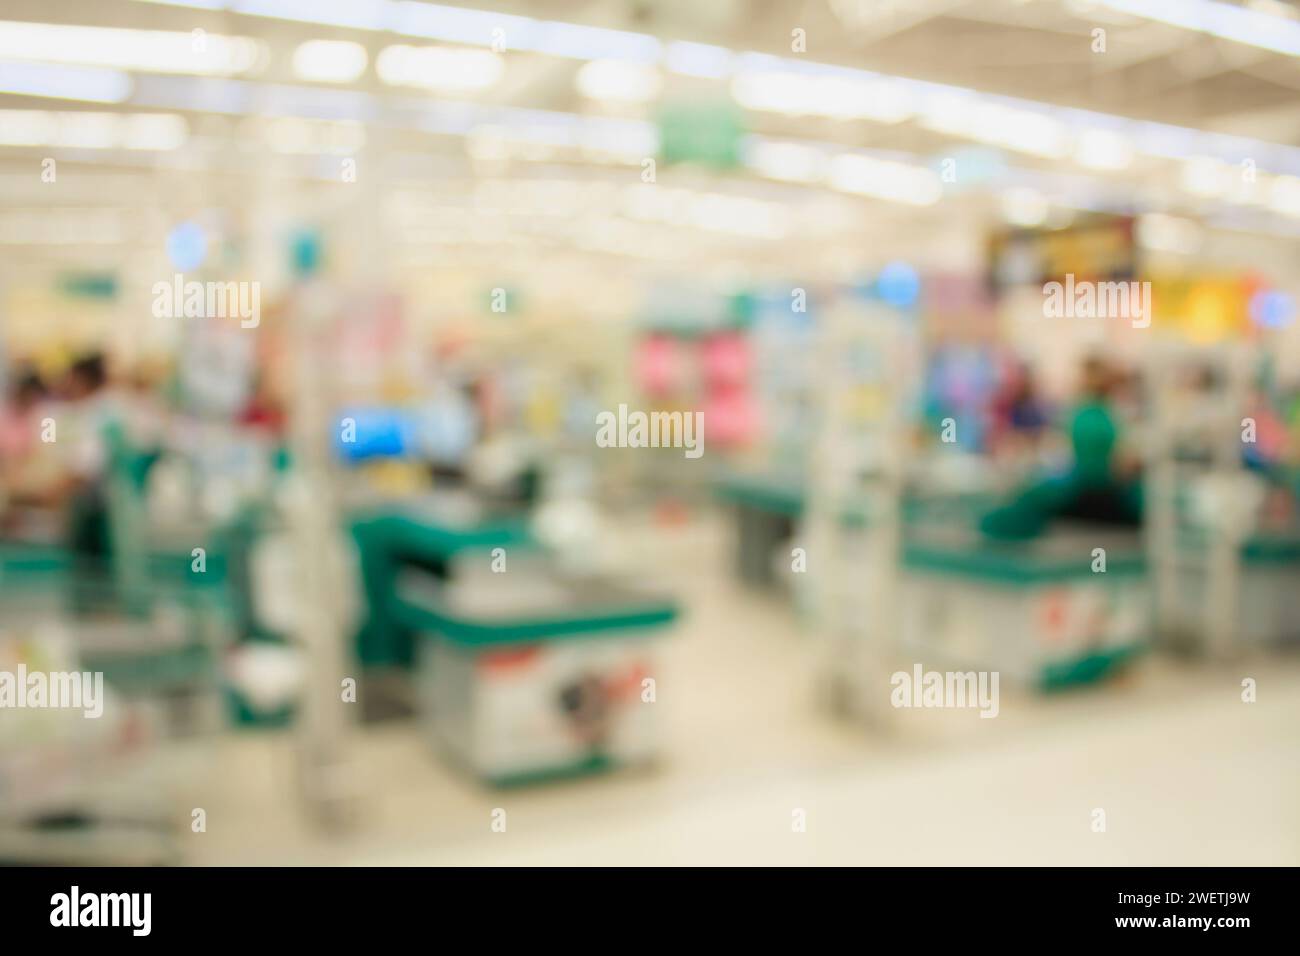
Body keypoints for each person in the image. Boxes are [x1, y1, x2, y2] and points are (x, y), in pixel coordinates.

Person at [979, 355, 1142, 539]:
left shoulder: (1088, 414)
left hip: (1089, 485)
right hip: (1093, 484)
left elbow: (1108, 459)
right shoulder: (1102, 413)